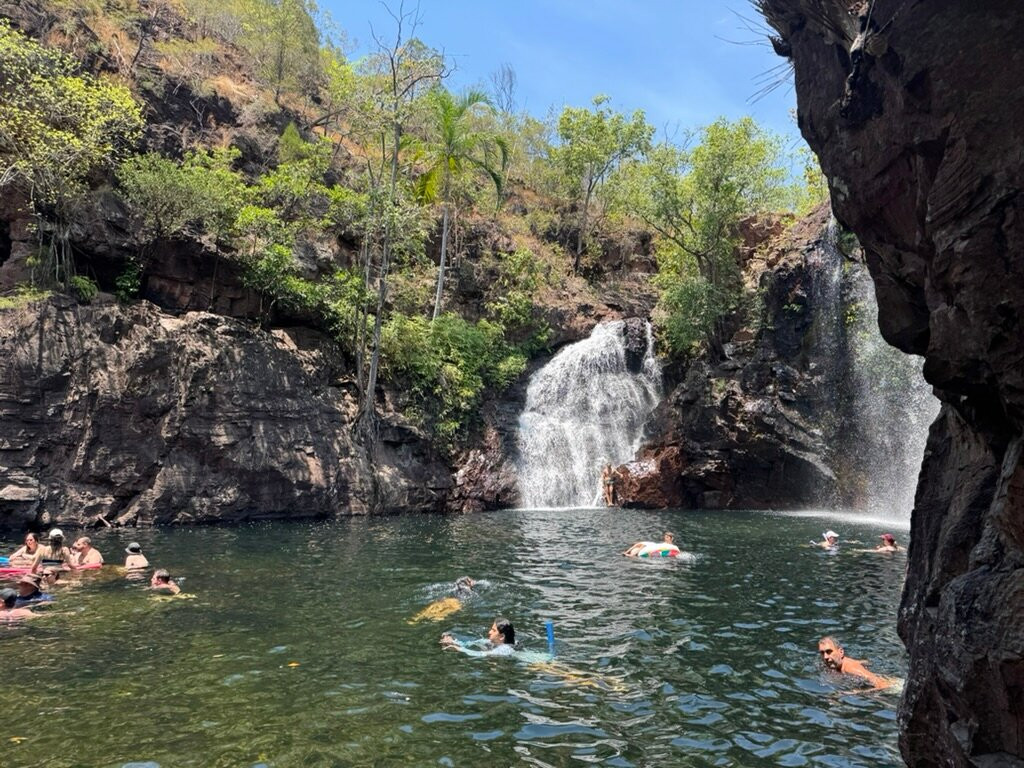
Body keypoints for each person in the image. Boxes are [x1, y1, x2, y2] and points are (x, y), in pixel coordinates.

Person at [817, 636, 896, 689]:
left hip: (894, 687)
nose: (825, 657)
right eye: (822, 653)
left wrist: (854, 693)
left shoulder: (850, 668)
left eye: (829, 651)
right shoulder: (831, 664)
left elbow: (883, 685)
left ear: (841, 652)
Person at [409, 577, 476, 624]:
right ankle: (437, 617)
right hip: (455, 602)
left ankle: (416, 618)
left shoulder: (455, 588)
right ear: (468, 583)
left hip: (446, 599)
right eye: (471, 580)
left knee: (431, 608)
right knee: (445, 611)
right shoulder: (468, 590)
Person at [440, 617, 516, 657]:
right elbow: (473, 643)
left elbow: (480, 654)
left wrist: (459, 649)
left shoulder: (505, 649)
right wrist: (453, 641)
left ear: (502, 636)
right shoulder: (493, 642)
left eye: (493, 630)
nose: (489, 632)